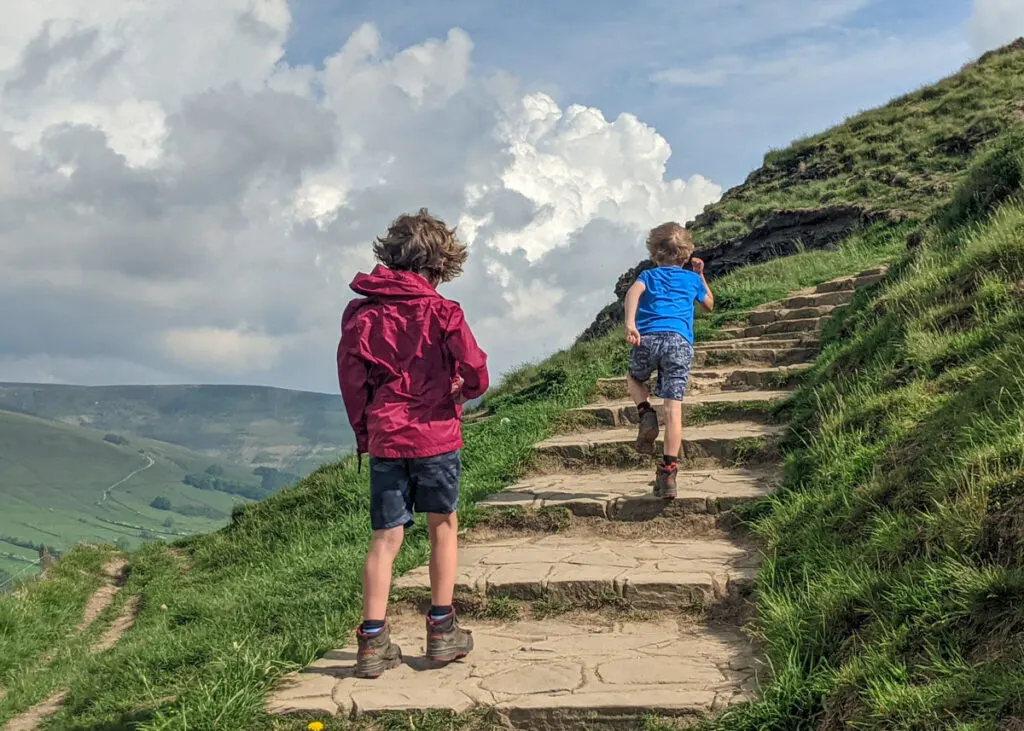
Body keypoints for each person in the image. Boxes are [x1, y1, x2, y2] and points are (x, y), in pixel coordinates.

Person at [337, 208, 489, 679]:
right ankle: (442, 632)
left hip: (387, 437)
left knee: (385, 537)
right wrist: (464, 389)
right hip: (435, 435)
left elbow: (351, 382)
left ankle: (371, 641)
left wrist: (367, 433)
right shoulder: (443, 312)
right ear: (439, 267)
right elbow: (477, 370)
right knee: (442, 525)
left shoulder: (362, 313)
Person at [622, 222, 714, 499]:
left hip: (647, 339)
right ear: (686, 254)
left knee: (634, 377)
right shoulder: (692, 279)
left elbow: (632, 294)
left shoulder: (648, 276)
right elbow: (709, 304)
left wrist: (630, 324)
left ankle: (645, 412)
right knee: (674, 411)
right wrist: (700, 275)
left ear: (654, 251)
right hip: (679, 344)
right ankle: (668, 473)